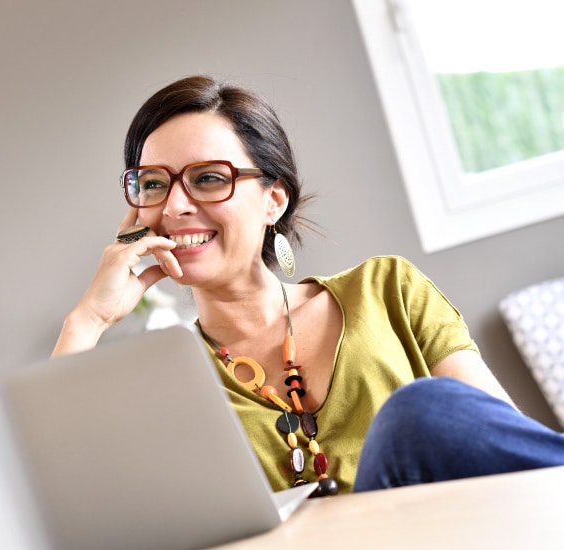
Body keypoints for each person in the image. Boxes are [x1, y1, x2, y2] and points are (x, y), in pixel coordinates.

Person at [53, 75, 564, 498]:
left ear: (274, 201)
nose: (174, 206)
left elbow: (508, 453)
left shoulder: (388, 290)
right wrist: (88, 321)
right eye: (153, 183)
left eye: (208, 178)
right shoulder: (165, 380)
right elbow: (70, 495)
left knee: (419, 415)